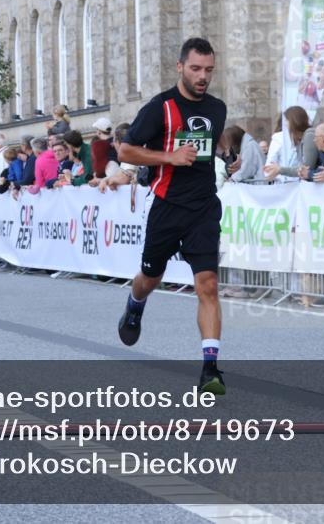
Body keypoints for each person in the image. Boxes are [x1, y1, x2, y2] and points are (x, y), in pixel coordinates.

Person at [117, 37, 228, 394]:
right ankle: (135, 304)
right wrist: (169, 157)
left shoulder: (217, 107)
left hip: (204, 207)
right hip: (167, 206)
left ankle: (210, 368)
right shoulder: (159, 108)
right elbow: (127, 151)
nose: (203, 76)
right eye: (196, 68)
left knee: (207, 284)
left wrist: (228, 153)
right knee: (151, 277)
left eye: (209, 70)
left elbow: (213, 139)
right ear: (180, 67)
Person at [263, 106, 311, 182]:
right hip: (283, 185)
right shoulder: (279, 138)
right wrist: (275, 172)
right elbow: (269, 167)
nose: (285, 123)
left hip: (303, 186)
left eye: (287, 120)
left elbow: (308, 167)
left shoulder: (309, 137)